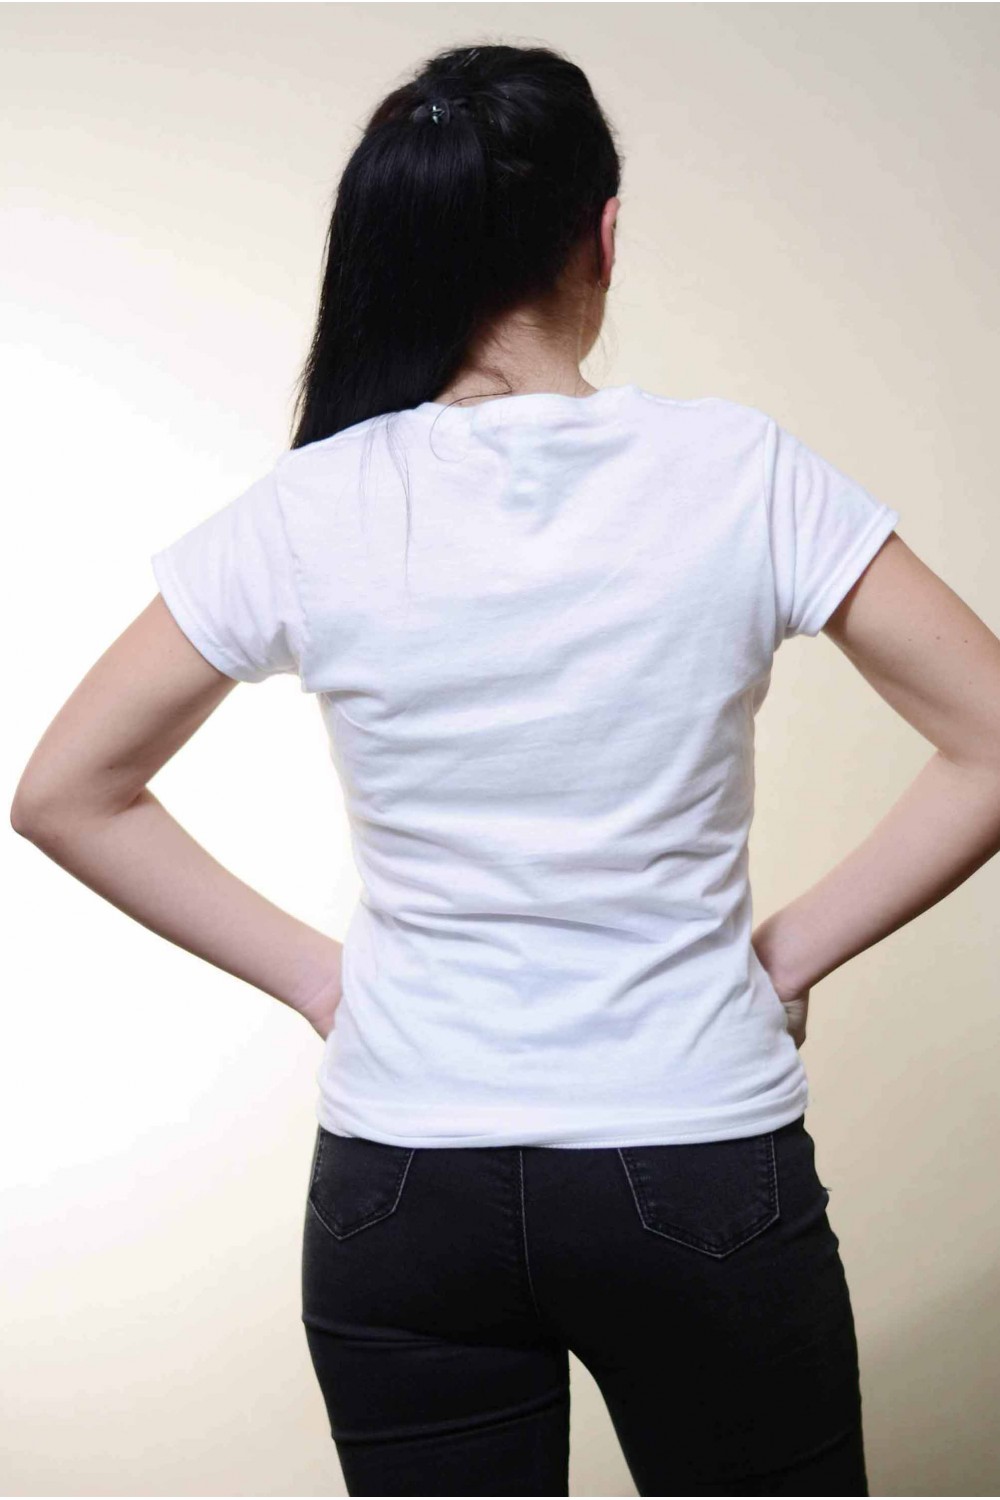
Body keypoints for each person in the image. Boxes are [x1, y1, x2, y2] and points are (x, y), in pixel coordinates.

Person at [11, 38, 1000, 1500]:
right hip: (692, 1156)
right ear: (604, 233)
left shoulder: (312, 506)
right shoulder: (740, 471)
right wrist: (783, 957)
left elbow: (62, 792)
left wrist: (326, 983)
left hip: (402, 1184)